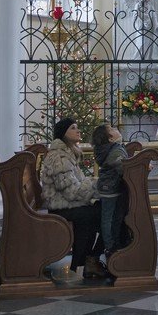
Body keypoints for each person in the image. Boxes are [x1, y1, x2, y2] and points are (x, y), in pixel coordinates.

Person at [39, 117, 107, 279]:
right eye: (73, 128)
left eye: (77, 127)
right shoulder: (60, 157)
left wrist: (96, 187)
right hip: (60, 208)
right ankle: (89, 260)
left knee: (101, 210)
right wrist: (99, 187)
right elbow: (71, 192)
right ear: (63, 134)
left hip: (67, 205)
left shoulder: (68, 153)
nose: (78, 131)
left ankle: (88, 260)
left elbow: (79, 183)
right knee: (104, 214)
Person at [92, 123, 132, 256]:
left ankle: (113, 244)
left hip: (108, 186)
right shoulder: (115, 150)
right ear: (110, 139)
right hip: (111, 188)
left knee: (111, 217)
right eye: (112, 129)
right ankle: (110, 246)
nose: (116, 129)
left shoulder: (113, 148)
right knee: (109, 218)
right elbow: (123, 168)